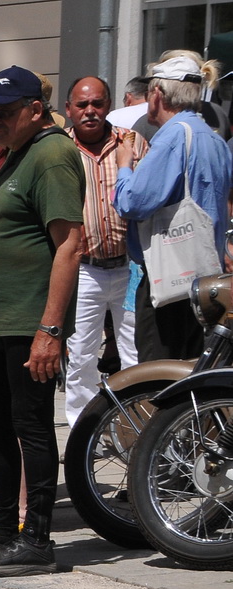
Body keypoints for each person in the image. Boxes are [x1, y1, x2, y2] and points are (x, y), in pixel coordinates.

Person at [0, 65, 84, 577]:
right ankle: (3, 531)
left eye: (5, 113)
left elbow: (69, 244)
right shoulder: (15, 153)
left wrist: (50, 330)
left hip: (30, 321)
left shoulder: (51, 154)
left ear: (33, 110)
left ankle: (37, 539)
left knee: (29, 425)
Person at [116, 51, 233, 363]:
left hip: (168, 281)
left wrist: (124, 166)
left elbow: (131, 202)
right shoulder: (215, 139)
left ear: (157, 94)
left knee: (157, 374)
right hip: (203, 279)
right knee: (191, 370)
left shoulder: (172, 138)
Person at [64, 75, 145, 426]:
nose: (90, 111)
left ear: (109, 105)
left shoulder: (133, 143)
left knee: (135, 352)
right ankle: (84, 432)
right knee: (81, 354)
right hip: (83, 269)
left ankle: (139, 428)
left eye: (97, 103)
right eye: (82, 105)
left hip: (129, 267)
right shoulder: (59, 149)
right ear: (68, 110)